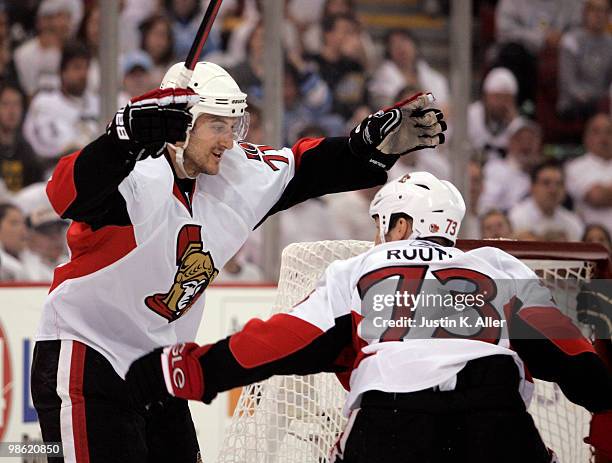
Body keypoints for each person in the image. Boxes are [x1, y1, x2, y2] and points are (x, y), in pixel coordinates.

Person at [30, 59, 447, 463]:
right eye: (216, 125)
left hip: (155, 369)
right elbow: (66, 196)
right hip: (88, 355)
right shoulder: (135, 176)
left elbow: (306, 168)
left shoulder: (234, 171)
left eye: (234, 125)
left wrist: (363, 148)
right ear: (181, 124)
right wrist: (119, 139)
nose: (228, 140)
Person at [127, 171, 612, 463]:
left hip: (395, 426)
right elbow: (575, 358)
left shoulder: (361, 268)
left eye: (384, 225)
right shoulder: (496, 266)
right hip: (497, 425)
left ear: (402, 223)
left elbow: (278, 342)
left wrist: (188, 368)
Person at [557, 0, 612, 119]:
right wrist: (585, 96)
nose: (599, 15)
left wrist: (604, 99)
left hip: (600, 102)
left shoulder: (610, 44)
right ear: (585, 13)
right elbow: (567, 82)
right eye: (595, 10)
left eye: (604, 11)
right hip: (573, 103)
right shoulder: (571, 40)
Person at [509, 161, 584, 241]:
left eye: (559, 184)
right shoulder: (516, 218)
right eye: (546, 183)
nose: (553, 190)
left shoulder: (573, 222)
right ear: (532, 187)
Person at [565, 113, 612, 235]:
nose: (604, 137)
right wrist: (602, 193)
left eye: (609, 131)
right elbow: (596, 197)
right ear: (586, 138)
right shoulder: (574, 167)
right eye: (596, 132)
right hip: (592, 241)